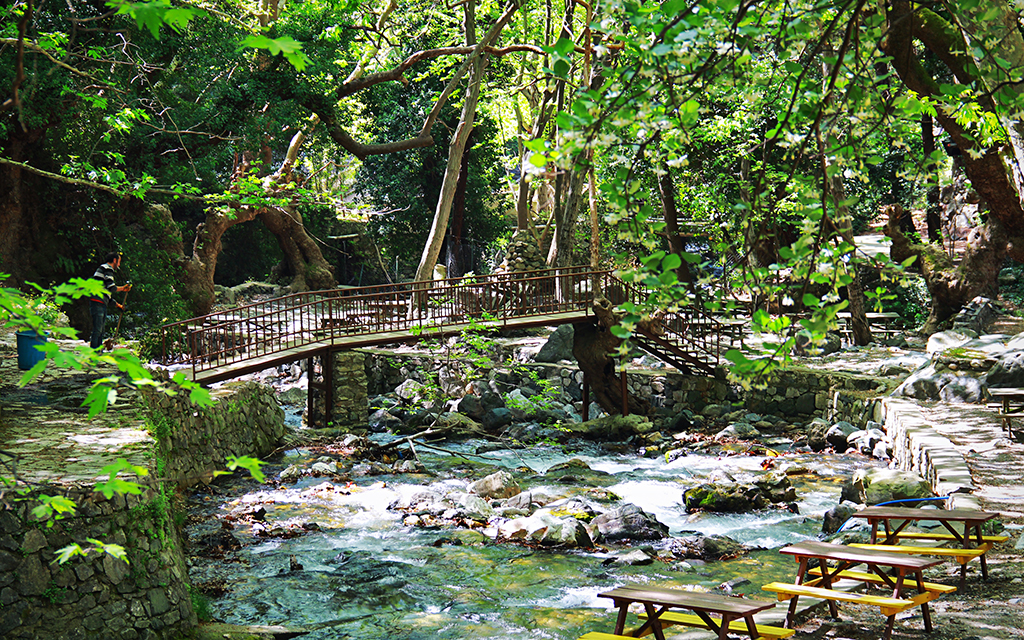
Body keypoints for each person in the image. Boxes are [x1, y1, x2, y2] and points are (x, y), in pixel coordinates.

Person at [89, 252, 132, 349]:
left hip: (100, 302)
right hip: (97, 302)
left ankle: (98, 351)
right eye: (119, 262)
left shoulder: (103, 269)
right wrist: (123, 288)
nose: (119, 265)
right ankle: (94, 353)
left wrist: (118, 306)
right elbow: (111, 287)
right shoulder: (107, 268)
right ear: (115, 260)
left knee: (100, 329)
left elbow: (107, 296)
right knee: (98, 329)